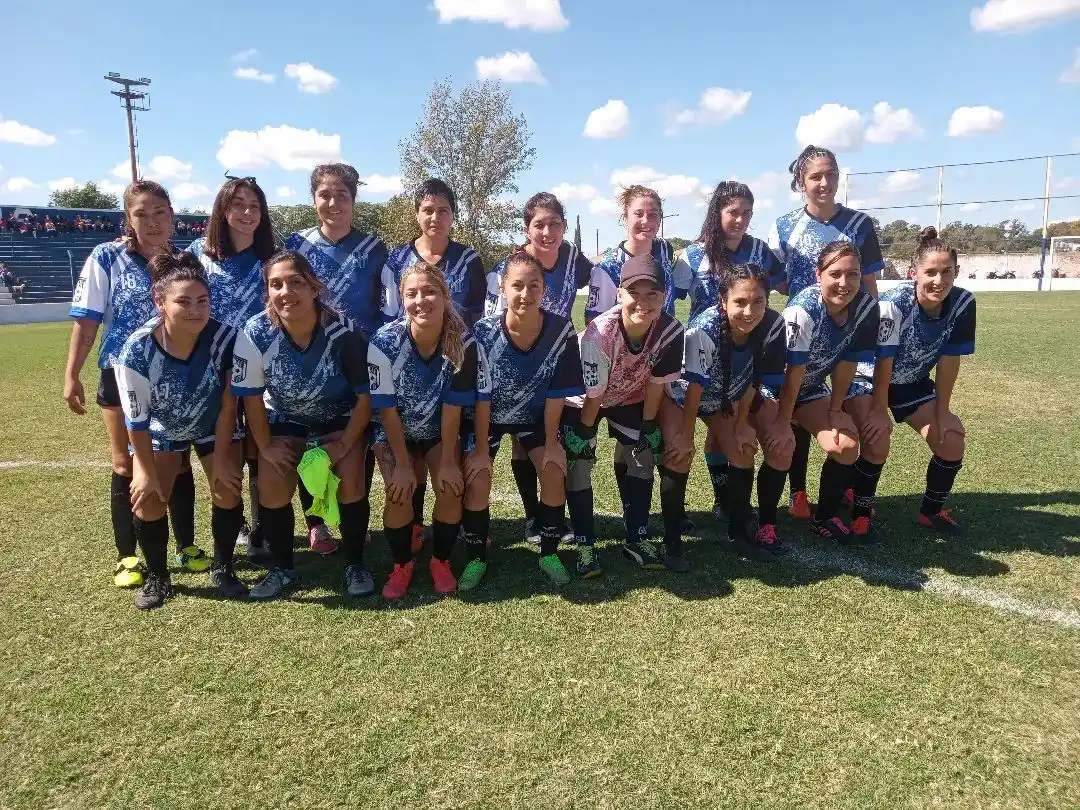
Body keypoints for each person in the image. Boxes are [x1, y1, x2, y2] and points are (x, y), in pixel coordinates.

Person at [64, 181, 210, 587]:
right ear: (128, 218)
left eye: (160, 212)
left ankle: (186, 545)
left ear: (172, 215)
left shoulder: (185, 260)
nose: (152, 222)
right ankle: (127, 556)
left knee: (177, 459)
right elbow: (87, 322)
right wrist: (72, 374)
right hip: (119, 373)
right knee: (125, 463)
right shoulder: (106, 257)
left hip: (177, 374)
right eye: (141, 214)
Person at [231, 250, 374, 600]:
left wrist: (344, 444)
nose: (285, 292)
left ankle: (355, 563)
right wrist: (266, 446)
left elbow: (365, 397)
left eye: (295, 282)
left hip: (338, 418)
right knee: (272, 482)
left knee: (351, 481)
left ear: (314, 288)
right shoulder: (255, 332)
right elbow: (251, 398)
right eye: (276, 284)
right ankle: (282, 567)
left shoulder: (343, 332)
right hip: (285, 417)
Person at [113, 253, 244, 608]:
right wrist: (143, 471)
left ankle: (224, 567)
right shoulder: (137, 349)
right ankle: (158, 577)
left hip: (213, 424)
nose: (195, 310)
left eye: (202, 301)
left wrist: (222, 461)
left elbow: (228, 406)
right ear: (160, 302)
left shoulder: (225, 338)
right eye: (183, 302)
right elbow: (137, 420)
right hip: (163, 427)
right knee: (148, 497)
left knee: (228, 487)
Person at [768, 145, 884, 522]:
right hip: (803, 330)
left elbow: (869, 283)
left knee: (847, 410)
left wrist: (864, 324)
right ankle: (798, 491)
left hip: (847, 330)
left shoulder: (860, 224)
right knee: (797, 410)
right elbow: (777, 282)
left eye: (830, 174)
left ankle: (843, 482)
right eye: (815, 176)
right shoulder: (783, 226)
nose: (824, 183)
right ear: (800, 182)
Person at [463, 249, 585, 589]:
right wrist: (481, 451)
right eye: (517, 285)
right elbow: (482, 396)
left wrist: (552, 444)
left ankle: (548, 554)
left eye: (534, 286)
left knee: (554, 471)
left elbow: (556, 394)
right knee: (478, 477)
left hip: (535, 418)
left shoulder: (561, 330)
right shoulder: (483, 333)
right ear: (503, 288)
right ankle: (476, 559)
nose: (525, 294)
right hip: (488, 417)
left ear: (544, 290)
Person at [284, 163, 389, 556]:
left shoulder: (374, 248)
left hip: (360, 358)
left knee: (357, 439)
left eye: (341, 195)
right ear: (313, 199)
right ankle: (317, 522)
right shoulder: (297, 245)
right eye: (324, 195)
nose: (333, 203)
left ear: (353, 200)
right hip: (310, 358)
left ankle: (350, 517)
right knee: (311, 439)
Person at [562, 253, 687, 576]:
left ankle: (637, 536)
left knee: (642, 455)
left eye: (652, 294)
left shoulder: (671, 330)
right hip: (582, 399)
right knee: (579, 461)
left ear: (664, 297)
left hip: (629, 395)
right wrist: (584, 434)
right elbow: (594, 394)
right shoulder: (600, 332)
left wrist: (648, 424)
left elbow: (657, 384)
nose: (642, 302)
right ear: (619, 294)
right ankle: (585, 543)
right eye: (634, 293)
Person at [380, 179, 487, 549]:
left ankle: (461, 526)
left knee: (448, 448)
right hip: (408, 367)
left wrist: (458, 354)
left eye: (443, 210)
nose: (435, 217)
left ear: (453, 216)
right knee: (409, 452)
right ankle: (413, 525)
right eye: (428, 209)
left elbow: (475, 316)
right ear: (417, 214)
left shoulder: (468, 259)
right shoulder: (396, 259)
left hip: (452, 365)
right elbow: (390, 317)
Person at [672, 181, 786, 522]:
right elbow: (668, 302)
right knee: (701, 434)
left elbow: (786, 285)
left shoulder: (760, 250)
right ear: (716, 212)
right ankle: (689, 509)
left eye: (747, 213)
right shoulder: (693, 255)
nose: (740, 219)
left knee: (728, 434)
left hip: (744, 358)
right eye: (733, 212)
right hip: (703, 354)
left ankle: (725, 501)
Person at [484, 191, 593, 545]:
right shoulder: (509, 268)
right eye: (539, 225)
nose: (548, 232)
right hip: (513, 366)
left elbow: (603, 279)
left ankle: (550, 516)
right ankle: (534, 516)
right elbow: (492, 325)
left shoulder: (574, 259)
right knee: (520, 443)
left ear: (564, 226)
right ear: (526, 229)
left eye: (555, 224)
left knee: (549, 441)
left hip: (554, 364)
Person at [663, 263, 793, 558]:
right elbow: (693, 388)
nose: (749, 311)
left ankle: (739, 532)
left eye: (758, 301)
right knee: (679, 452)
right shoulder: (704, 329)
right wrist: (686, 434)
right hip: (682, 396)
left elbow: (754, 377)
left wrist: (743, 421)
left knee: (743, 450)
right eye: (740, 302)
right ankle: (672, 541)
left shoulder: (772, 325)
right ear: (723, 301)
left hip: (722, 398)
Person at [368, 262, 481, 599]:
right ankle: (402, 564)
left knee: (450, 488)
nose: (421, 300)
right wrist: (402, 465)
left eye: (430, 291)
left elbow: (452, 408)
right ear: (402, 299)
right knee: (399, 491)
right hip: (393, 431)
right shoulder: (384, 342)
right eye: (411, 294)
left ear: (445, 296)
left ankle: (440, 560)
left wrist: (447, 461)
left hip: (437, 429)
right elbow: (386, 409)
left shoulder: (462, 343)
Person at [775, 241, 887, 545]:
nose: (844, 283)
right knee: (776, 446)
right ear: (818, 274)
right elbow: (791, 373)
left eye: (853, 274)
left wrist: (836, 410)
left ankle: (824, 517)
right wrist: (784, 421)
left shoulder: (865, 307)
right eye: (835, 274)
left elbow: (848, 362)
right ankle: (761, 517)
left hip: (809, 387)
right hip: (772, 389)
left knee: (846, 444)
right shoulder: (802, 310)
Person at [188, 177, 278, 559]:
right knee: (224, 450)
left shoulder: (271, 257)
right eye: (238, 204)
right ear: (222, 211)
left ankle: (261, 527)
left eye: (254, 205)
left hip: (263, 368)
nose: (247, 212)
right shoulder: (197, 254)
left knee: (260, 447)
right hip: (212, 370)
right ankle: (234, 521)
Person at [876, 227, 975, 534]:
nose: (939, 280)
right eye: (930, 272)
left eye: (947, 272)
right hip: (869, 378)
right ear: (913, 273)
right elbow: (882, 360)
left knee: (951, 439)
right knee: (873, 436)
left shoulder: (962, 303)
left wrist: (942, 411)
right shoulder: (894, 303)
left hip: (912, 383)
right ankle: (855, 501)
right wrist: (878, 409)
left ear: (956, 272)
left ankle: (931, 511)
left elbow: (949, 361)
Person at [585, 185, 688, 324]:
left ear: (660, 219)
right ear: (625, 218)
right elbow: (593, 323)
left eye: (653, 214)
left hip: (667, 336)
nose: (646, 221)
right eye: (638, 214)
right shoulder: (608, 268)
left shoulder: (664, 249)